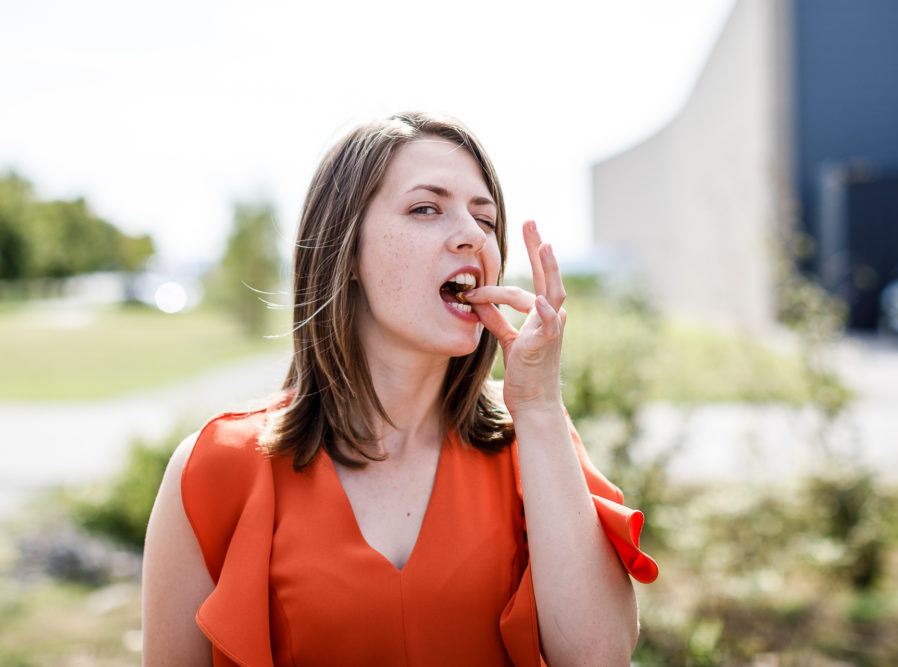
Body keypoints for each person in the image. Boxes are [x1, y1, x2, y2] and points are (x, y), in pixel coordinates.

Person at [142, 111, 658, 666]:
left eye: (485, 220)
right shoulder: (213, 470)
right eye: (426, 208)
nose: (471, 235)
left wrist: (538, 404)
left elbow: (599, 658)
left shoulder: (536, 446)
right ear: (348, 251)